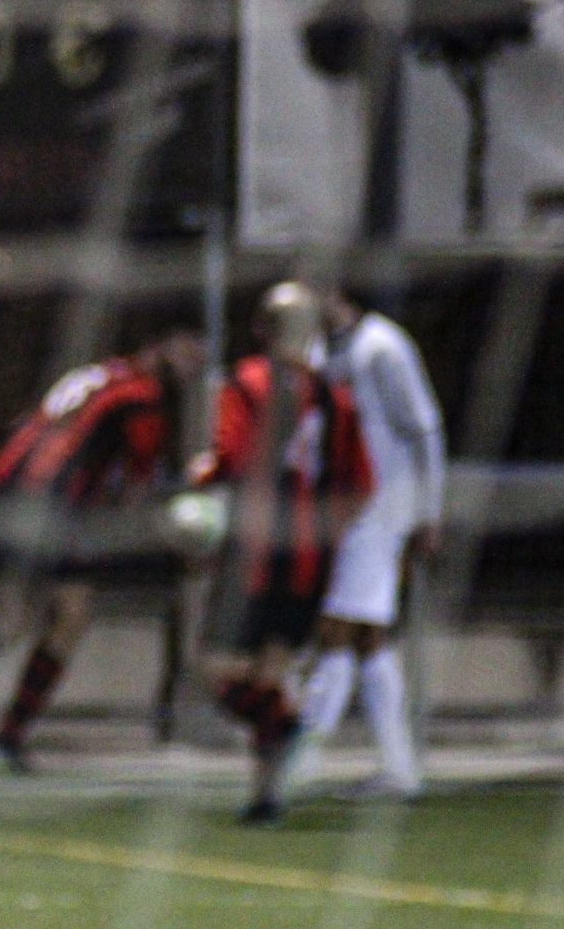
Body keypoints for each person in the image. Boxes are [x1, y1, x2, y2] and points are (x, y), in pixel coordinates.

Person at [0, 331, 204, 772]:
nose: (192, 369)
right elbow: (134, 491)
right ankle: (1, 735)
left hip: (8, 489)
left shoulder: (98, 374)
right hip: (50, 503)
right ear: (162, 352)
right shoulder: (143, 399)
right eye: (189, 357)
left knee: (20, 619)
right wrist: (174, 533)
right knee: (58, 616)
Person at [191, 283, 371, 824]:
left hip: (255, 553)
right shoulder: (337, 399)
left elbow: (232, 460)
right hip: (311, 560)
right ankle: (265, 799)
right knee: (271, 672)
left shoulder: (247, 383)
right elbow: (360, 486)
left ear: (261, 331)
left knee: (210, 672)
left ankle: (288, 732)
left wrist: (199, 478)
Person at [292, 284, 446, 801]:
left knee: (335, 629)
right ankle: (400, 771)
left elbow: (424, 428)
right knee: (367, 638)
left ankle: (299, 760)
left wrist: (429, 509)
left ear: (334, 294)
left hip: (381, 509)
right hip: (339, 508)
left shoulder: (382, 346)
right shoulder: (317, 351)